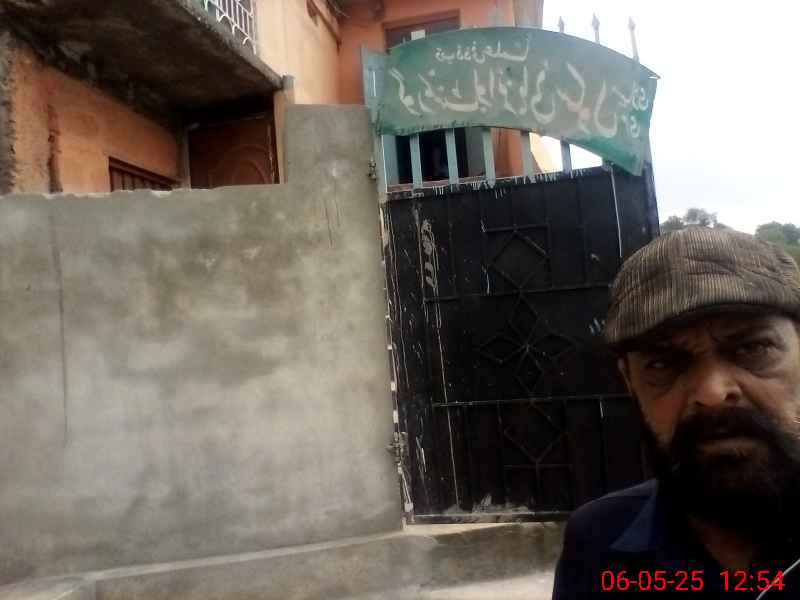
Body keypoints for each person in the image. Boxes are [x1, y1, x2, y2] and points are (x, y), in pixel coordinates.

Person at [552, 227, 800, 598]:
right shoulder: (597, 542)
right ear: (629, 381)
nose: (713, 393)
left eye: (752, 348)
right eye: (663, 364)